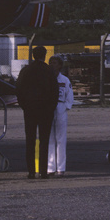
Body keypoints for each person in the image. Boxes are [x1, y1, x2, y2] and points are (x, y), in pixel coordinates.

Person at [16, 45, 59, 179]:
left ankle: (31, 171)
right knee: (44, 141)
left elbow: (18, 89)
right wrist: (51, 107)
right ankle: (43, 171)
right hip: (45, 110)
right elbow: (55, 91)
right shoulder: (49, 71)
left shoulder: (26, 70)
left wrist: (24, 105)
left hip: (30, 109)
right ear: (44, 55)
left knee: (30, 140)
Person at [47, 56, 73, 176]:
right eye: (50, 63)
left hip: (60, 107)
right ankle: (50, 167)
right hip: (48, 108)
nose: (52, 65)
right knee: (50, 139)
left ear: (60, 66)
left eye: (55, 63)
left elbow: (69, 95)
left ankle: (61, 168)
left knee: (61, 139)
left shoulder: (65, 80)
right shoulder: (46, 78)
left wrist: (65, 107)